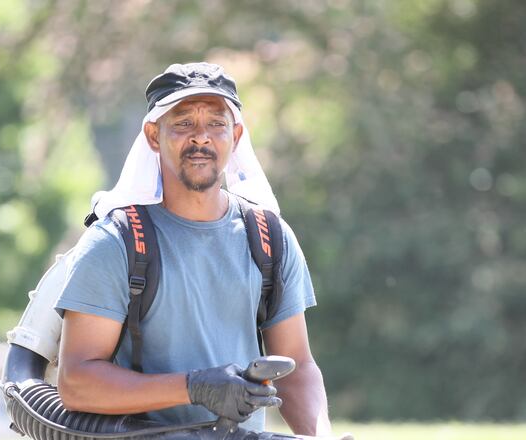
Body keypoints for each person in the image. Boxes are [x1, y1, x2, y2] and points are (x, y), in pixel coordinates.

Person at [55, 62, 332, 437]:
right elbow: (76, 383)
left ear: (235, 136)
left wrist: (322, 435)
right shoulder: (117, 243)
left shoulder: (269, 238)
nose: (201, 137)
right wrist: (194, 387)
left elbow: (296, 368)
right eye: (183, 123)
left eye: (216, 124)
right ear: (154, 135)